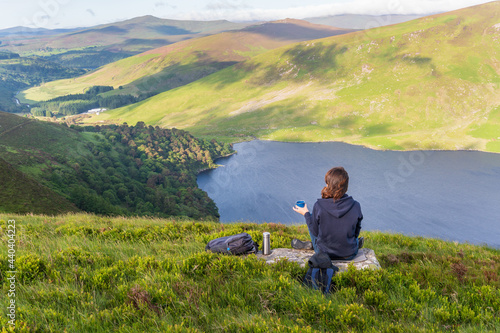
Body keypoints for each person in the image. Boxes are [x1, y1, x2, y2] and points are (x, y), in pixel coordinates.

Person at [292, 166, 363, 260]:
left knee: (313, 218)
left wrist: (306, 214)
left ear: (328, 185)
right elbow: (356, 231)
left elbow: (314, 232)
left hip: (324, 254)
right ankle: (354, 244)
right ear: (346, 187)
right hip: (349, 254)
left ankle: (313, 245)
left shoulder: (319, 206)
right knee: (354, 238)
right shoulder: (355, 206)